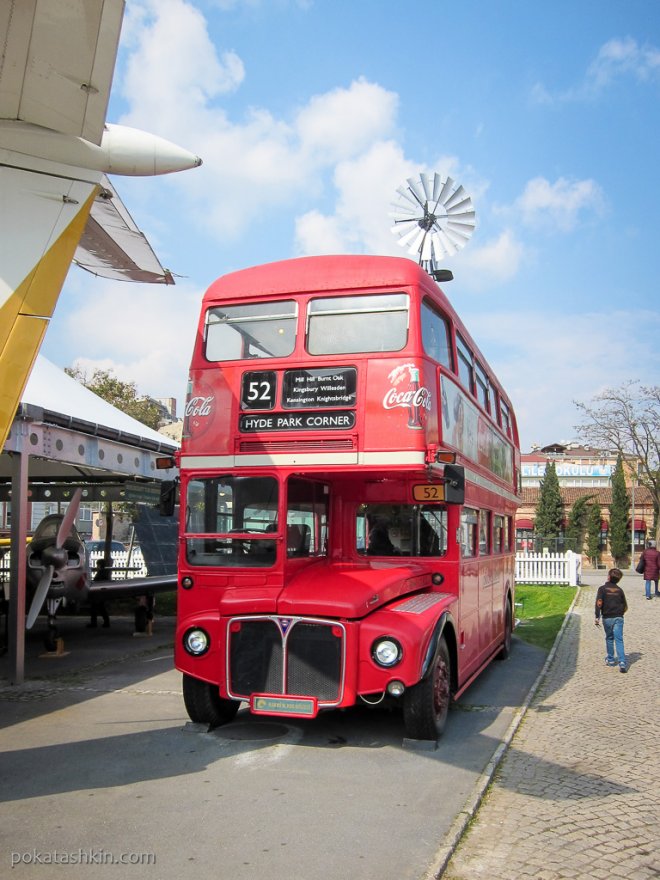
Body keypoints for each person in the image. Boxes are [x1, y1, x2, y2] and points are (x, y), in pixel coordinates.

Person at [594, 568, 628, 672]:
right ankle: (622, 662)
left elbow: (599, 603)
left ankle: (611, 659)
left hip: (607, 617)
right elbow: (625, 605)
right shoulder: (620, 590)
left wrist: (597, 616)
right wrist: (620, 613)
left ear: (608, 577)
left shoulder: (602, 589)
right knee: (619, 639)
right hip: (618, 617)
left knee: (609, 638)